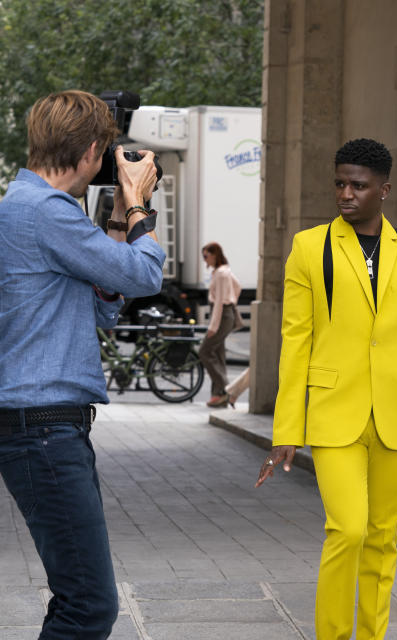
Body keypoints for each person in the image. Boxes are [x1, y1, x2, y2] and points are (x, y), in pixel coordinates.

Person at [255, 138, 397, 640]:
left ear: (384, 190)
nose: (345, 194)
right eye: (340, 183)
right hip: (334, 415)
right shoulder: (311, 248)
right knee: (347, 529)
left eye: (358, 185)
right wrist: (287, 428)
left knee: (382, 539)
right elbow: (295, 343)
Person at [0, 90, 163, 638]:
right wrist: (139, 202)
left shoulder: (31, 209)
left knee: (78, 597)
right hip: (42, 430)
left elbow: (102, 303)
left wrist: (116, 215)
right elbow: (143, 276)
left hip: (45, 428)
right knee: (89, 604)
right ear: (94, 150)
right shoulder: (43, 213)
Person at [198, 241, 242, 407]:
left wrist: (213, 327)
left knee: (204, 351)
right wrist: (232, 300)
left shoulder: (222, 274)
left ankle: (226, 389)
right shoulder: (222, 271)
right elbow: (238, 287)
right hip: (225, 313)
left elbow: (218, 303)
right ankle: (218, 396)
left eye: (206, 256)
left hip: (222, 315)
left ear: (215, 255)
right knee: (218, 354)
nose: (204, 260)